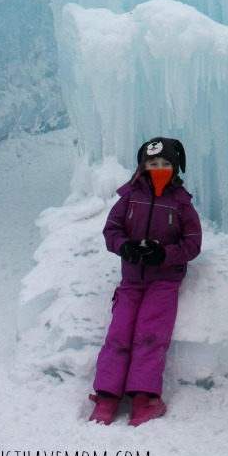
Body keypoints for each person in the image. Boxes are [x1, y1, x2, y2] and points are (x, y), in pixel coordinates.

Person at [88, 137, 202, 427]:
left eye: (165, 164)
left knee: (151, 335)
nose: (158, 168)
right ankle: (106, 398)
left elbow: (192, 243)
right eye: (153, 163)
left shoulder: (180, 202)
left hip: (164, 281)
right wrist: (124, 246)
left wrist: (164, 254)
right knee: (119, 333)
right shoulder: (129, 196)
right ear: (143, 165)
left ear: (175, 169)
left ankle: (143, 399)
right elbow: (112, 228)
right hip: (131, 280)